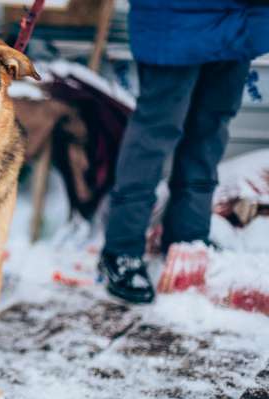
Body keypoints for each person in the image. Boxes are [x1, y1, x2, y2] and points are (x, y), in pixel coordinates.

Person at [98, 0, 269, 304]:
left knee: (210, 130)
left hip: (239, 19)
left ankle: (187, 237)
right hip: (175, 18)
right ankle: (121, 249)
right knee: (155, 133)